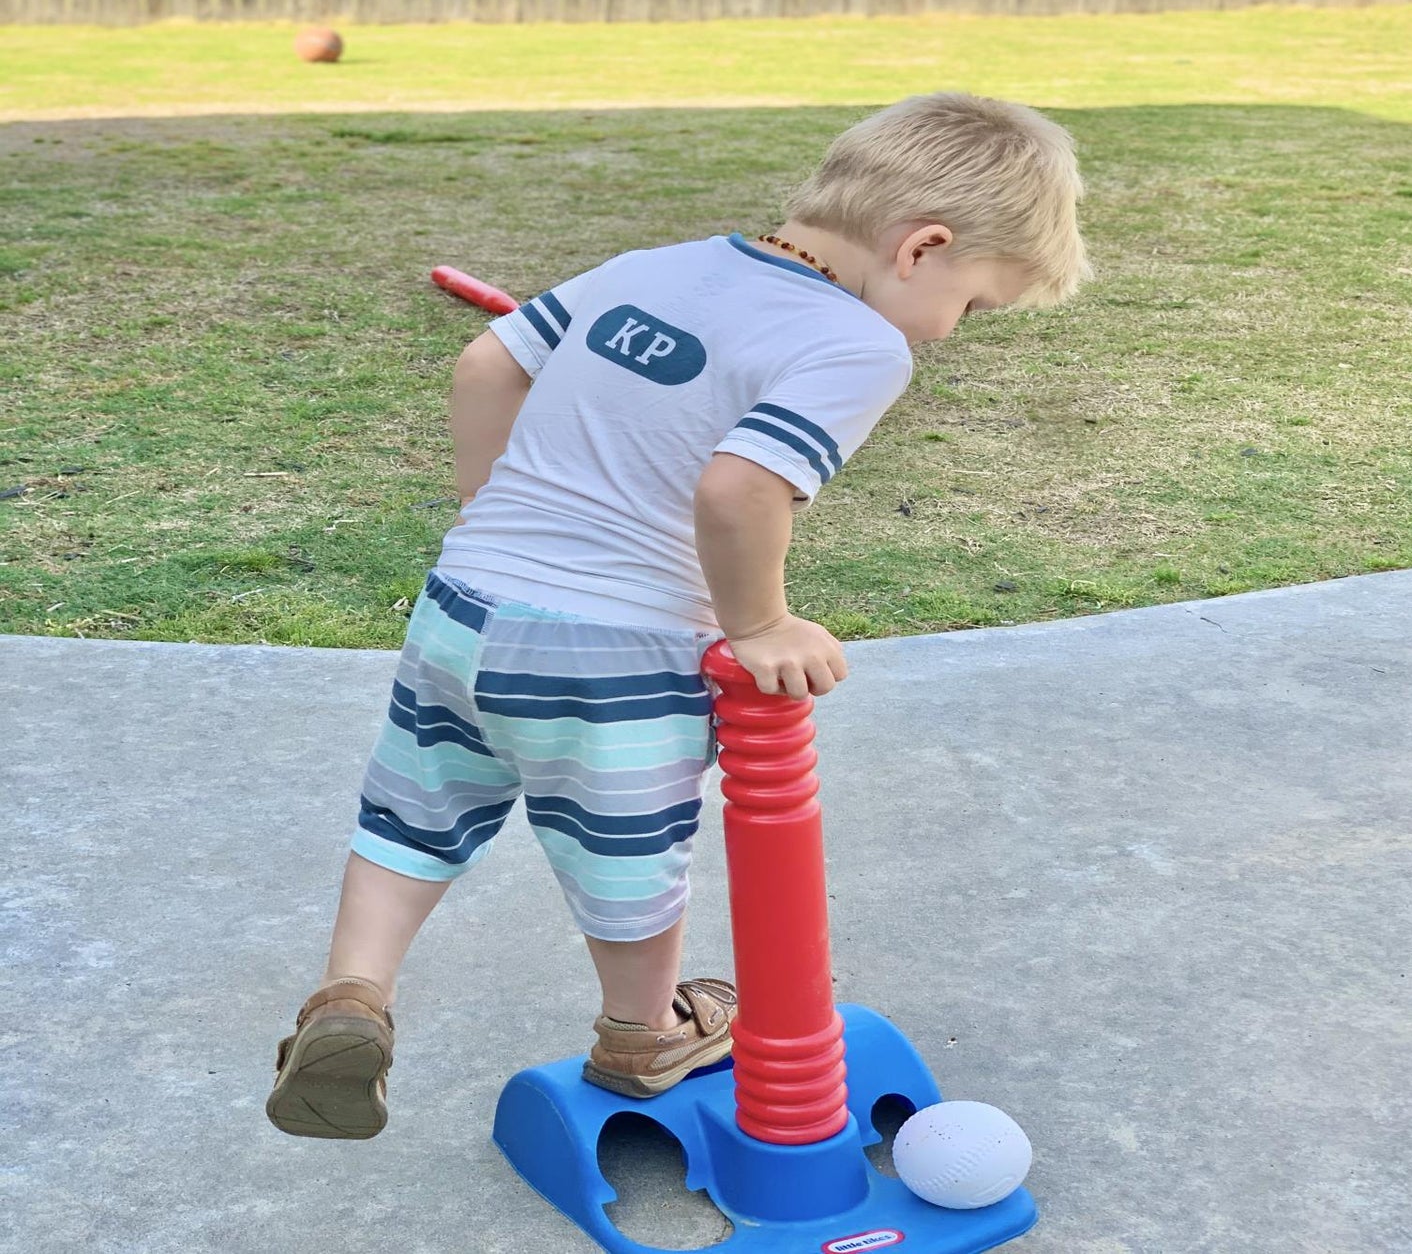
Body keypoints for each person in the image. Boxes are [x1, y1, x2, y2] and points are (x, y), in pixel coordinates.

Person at [265, 92, 1091, 1139]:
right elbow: (738, 489)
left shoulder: (658, 262)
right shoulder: (860, 343)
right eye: (974, 304)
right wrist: (759, 626)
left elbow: (486, 364)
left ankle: (351, 995)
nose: (955, 331)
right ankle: (645, 1030)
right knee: (630, 855)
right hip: (614, 651)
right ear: (924, 247)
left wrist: (488, 512)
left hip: (462, 609)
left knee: (415, 812)